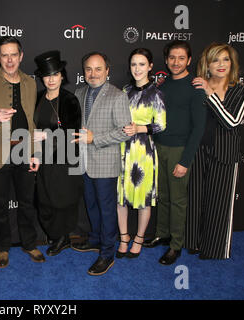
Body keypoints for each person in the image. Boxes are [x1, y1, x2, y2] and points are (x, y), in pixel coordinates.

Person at [0, 36, 44, 268]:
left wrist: (35, 152)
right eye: (4, 55)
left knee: (26, 202)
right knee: (1, 203)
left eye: (13, 54)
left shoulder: (31, 83)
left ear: (21, 56)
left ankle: (29, 243)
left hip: (25, 150)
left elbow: (32, 121)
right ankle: (3, 247)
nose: (9, 59)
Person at [143, 40, 206, 266]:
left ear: (189, 60)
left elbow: (199, 128)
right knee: (163, 196)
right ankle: (162, 234)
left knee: (178, 200)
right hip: (158, 147)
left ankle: (176, 245)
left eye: (181, 58)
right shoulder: (162, 85)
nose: (176, 62)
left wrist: (185, 161)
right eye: (172, 58)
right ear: (166, 60)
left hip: (180, 150)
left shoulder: (197, 87)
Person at [186, 43, 244, 260]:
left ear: (232, 63)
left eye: (225, 59)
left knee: (220, 203)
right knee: (195, 200)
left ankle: (214, 249)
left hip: (224, 153)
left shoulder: (241, 90)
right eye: (215, 60)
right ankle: (193, 242)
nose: (221, 64)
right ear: (207, 64)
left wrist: (210, 93)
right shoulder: (197, 86)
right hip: (198, 151)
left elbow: (231, 122)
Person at [71, 52, 132, 276]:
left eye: (98, 69)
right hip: (84, 163)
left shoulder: (117, 96)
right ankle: (96, 239)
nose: (93, 74)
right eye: (88, 69)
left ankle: (107, 253)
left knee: (107, 210)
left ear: (107, 71)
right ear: (84, 71)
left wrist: (94, 139)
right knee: (91, 205)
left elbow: (125, 132)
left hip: (105, 162)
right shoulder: (78, 93)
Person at [32, 50, 83, 256]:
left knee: (63, 199)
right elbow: (33, 129)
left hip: (64, 158)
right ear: (42, 78)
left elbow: (72, 134)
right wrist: (35, 154)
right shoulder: (37, 98)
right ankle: (55, 234)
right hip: (43, 159)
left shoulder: (70, 100)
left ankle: (63, 238)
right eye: (47, 75)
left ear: (62, 75)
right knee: (44, 199)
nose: (51, 79)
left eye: (55, 74)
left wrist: (46, 137)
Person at [116, 48, 166, 259]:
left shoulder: (156, 93)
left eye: (142, 64)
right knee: (121, 198)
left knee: (144, 198)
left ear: (150, 66)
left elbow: (161, 125)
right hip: (123, 151)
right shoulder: (124, 91)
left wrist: (140, 128)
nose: (137, 69)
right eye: (134, 64)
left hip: (144, 152)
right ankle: (124, 237)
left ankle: (139, 238)